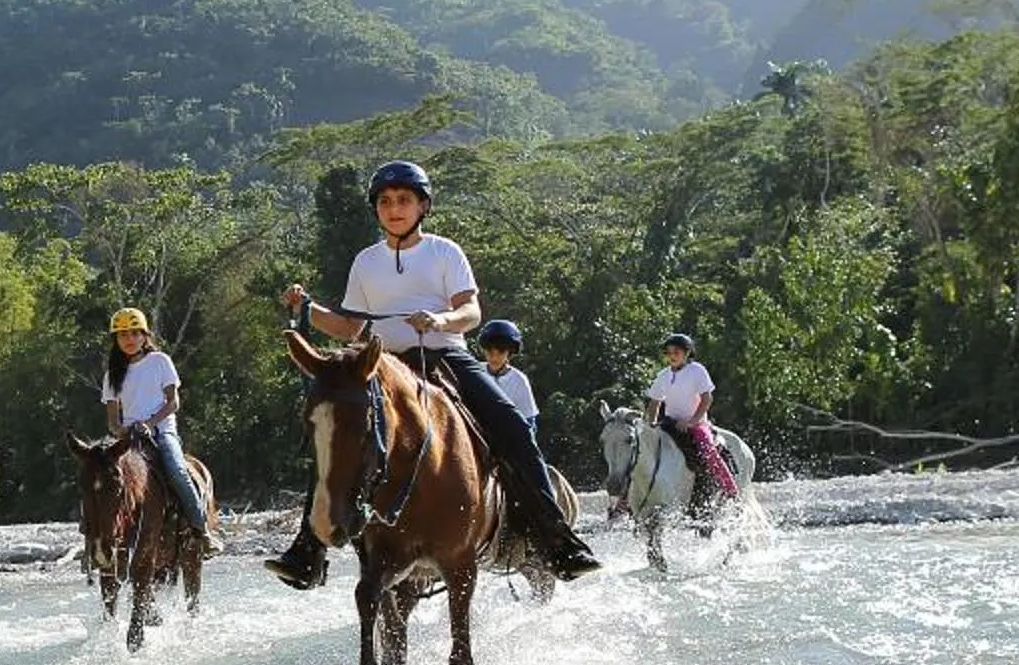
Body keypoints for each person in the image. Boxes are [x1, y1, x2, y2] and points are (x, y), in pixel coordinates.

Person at [268, 161, 601, 589]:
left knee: (512, 427)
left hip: (444, 358)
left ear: (423, 206)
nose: (394, 209)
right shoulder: (366, 262)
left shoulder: (445, 251)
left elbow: (471, 311)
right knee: (335, 438)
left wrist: (442, 321)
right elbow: (353, 327)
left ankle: (557, 540)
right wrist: (307, 309)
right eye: (385, 202)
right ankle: (307, 550)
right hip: (382, 367)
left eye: (404, 200)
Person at [99, 307, 209, 538]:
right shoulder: (112, 374)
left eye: (134, 333)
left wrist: (149, 423)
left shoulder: (160, 361)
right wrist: (121, 431)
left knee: (177, 470)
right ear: (116, 339)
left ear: (144, 335)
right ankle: (97, 538)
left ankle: (201, 528)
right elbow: (112, 420)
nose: (129, 339)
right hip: (129, 437)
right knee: (98, 475)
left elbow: (173, 402)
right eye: (123, 335)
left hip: (161, 430)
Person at [644, 332, 740, 503]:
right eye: (669, 353)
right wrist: (651, 424)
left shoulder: (697, 371)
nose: (672, 356)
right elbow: (654, 402)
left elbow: (707, 398)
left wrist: (692, 421)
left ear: (687, 353)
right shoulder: (663, 375)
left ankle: (731, 490)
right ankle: (623, 503)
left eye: (676, 352)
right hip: (669, 422)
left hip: (696, 423)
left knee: (707, 448)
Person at [475, 317, 539, 429]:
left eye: (501, 351)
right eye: (489, 351)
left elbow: (529, 421)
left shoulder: (519, 380)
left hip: (506, 435)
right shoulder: (474, 372)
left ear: (510, 353)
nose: (494, 357)